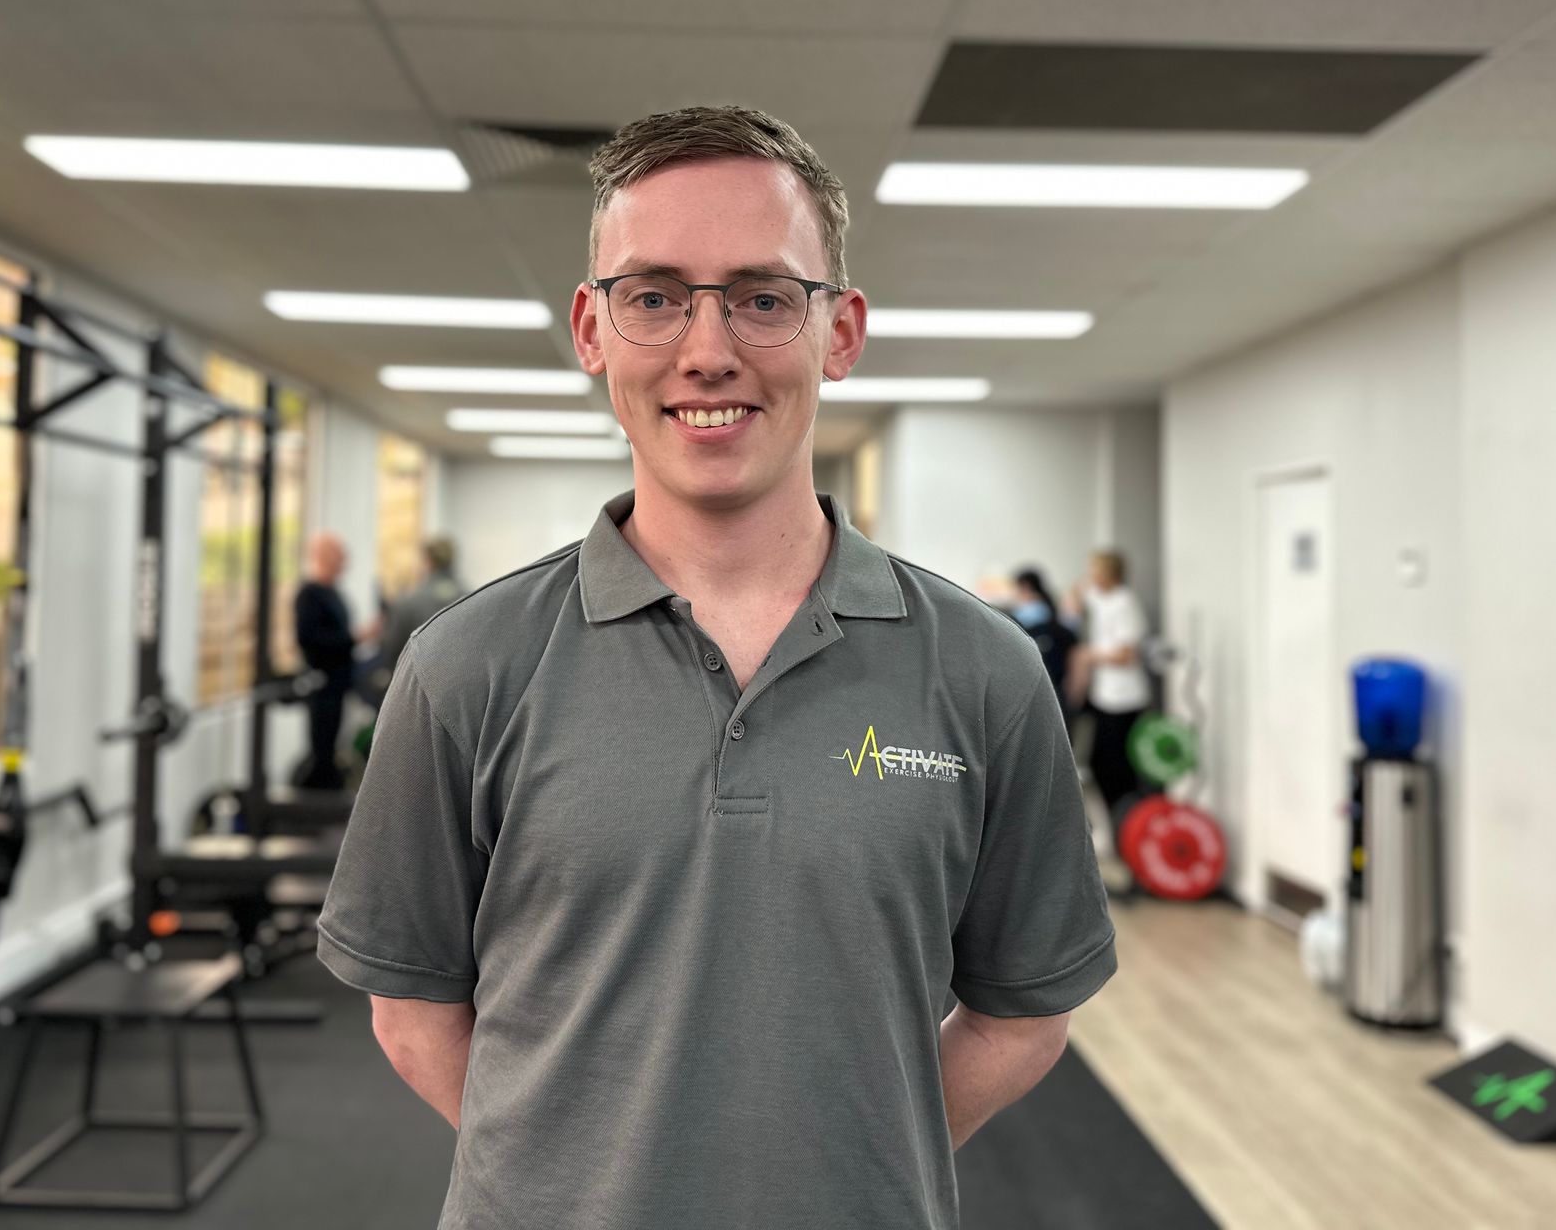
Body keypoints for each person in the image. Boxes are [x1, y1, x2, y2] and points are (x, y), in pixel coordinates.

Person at [317, 106, 1115, 1230]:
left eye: (763, 297)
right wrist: (575, 1185)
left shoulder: (987, 672)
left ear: (840, 332)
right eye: (653, 297)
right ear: (592, 330)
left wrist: (845, 1175)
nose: (706, 350)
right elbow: (411, 1013)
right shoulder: (463, 666)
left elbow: (1022, 1014)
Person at [1065, 549, 1151, 854]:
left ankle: (1128, 831)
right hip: (1102, 696)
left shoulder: (1126, 602)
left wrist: (1089, 655)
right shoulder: (1098, 598)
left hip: (1124, 698)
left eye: (1097, 570)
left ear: (1112, 573)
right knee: (1098, 765)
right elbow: (1071, 601)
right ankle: (1115, 831)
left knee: (1119, 769)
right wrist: (1082, 586)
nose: (1092, 576)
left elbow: (1125, 654)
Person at [292, 531, 377, 791]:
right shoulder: (309, 595)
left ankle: (326, 789)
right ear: (323, 557)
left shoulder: (334, 594)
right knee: (322, 748)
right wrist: (355, 638)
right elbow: (309, 639)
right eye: (339, 556)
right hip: (322, 686)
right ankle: (316, 797)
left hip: (340, 683)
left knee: (332, 746)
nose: (344, 562)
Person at [360, 536, 464, 706]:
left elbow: (392, 650)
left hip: (417, 699)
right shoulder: (474, 598)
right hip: (462, 697)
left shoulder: (407, 602)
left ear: (427, 562)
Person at [1008, 565, 1078, 710]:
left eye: (1018, 589)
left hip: (1050, 685)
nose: (1016, 594)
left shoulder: (1040, 618)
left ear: (1026, 587)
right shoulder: (1021, 616)